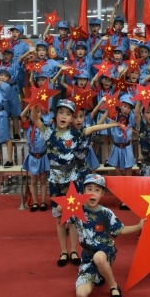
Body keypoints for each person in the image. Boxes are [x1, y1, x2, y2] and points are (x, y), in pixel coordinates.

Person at [31, 99, 119, 268]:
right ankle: (63, 251)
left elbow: (93, 128)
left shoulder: (76, 134)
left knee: (72, 217)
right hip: (55, 181)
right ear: (56, 115)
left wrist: (112, 125)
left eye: (68, 114)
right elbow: (35, 118)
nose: (64, 117)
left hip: (72, 181)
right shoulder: (48, 132)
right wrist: (36, 103)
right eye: (61, 113)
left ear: (72, 118)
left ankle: (73, 250)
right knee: (59, 218)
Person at [67, 174, 145, 297]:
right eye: (89, 189)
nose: (93, 193)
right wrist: (69, 202)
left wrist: (139, 226)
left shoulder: (106, 213)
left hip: (105, 251)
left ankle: (114, 287)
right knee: (81, 295)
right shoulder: (76, 209)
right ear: (83, 191)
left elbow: (121, 230)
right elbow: (59, 210)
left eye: (97, 190)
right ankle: (98, 275)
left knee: (99, 258)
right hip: (87, 257)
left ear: (102, 193)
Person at [20, 105, 52, 212]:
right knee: (33, 181)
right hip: (32, 157)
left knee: (43, 180)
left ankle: (43, 201)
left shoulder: (44, 126)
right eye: (34, 112)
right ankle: (35, 202)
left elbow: (52, 119)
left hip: (42, 156)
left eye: (38, 111)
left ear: (42, 113)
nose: (36, 114)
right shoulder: (28, 126)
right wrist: (30, 105)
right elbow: (21, 116)